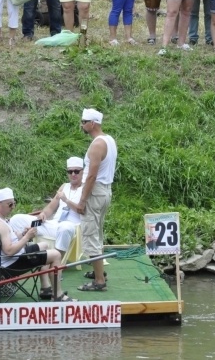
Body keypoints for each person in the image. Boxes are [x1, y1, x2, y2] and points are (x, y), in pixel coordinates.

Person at [0, 187, 74, 302]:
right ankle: (57, 295)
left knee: (44, 245)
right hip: (11, 264)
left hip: (5, 261)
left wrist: (23, 234)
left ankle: (45, 288)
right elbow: (9, 251)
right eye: (10, 204)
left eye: (14, 203)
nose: (13, 207)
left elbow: (7, 243)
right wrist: (27, 237)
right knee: (56, 255)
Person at [75, 108, 117, 292]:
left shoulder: (97, 145)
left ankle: (99, 281)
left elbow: (91, 176)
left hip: (95, 192)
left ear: (93, 123)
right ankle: (97, 270)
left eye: (84, 121)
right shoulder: (109, 140)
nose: (82, 125)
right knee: (97, 232)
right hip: (105, 191)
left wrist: (82, 200)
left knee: (90, 234)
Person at [9, 157, 83, 258]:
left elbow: (82, 210)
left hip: (72, 226)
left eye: (76, 171)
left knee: (65, 227)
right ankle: (20, 254)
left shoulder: (85, 189)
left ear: (82, 172)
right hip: (54, 224)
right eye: (70, 172)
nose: (73, 174)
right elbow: (50, 208)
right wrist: (43, 215)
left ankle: (57, 261)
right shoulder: (64, 186)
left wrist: (66, 200)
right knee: (16, 219)